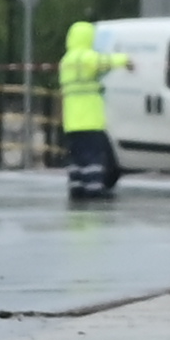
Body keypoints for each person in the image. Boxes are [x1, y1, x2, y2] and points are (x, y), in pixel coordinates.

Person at [56, 19, 115, 205]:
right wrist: (126, 60)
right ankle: (94, 189)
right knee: (93, 158)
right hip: (90, 120)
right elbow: (106, 62)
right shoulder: (88, 58)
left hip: (72, 121)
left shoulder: (66, 61)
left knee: (76, 158)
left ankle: (76, 187)